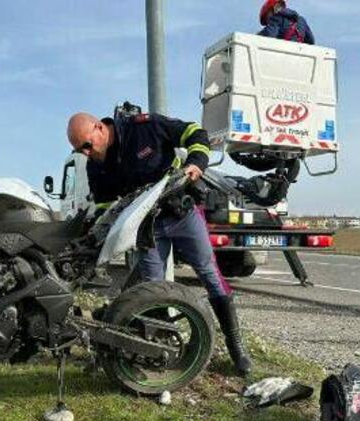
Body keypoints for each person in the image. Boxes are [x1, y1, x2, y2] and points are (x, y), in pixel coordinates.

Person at [66, 106, 253, 375]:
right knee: (153, 289)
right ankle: (163, 349)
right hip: (147, 228)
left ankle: (237, 347)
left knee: (210, 274)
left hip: (182, 214)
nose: (86, 152)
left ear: (99, 128)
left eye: (87, 145)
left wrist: (196, 162)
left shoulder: (144, 127)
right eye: (79, 150)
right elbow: (105, 205)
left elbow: (194, 132)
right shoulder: (95, 165)